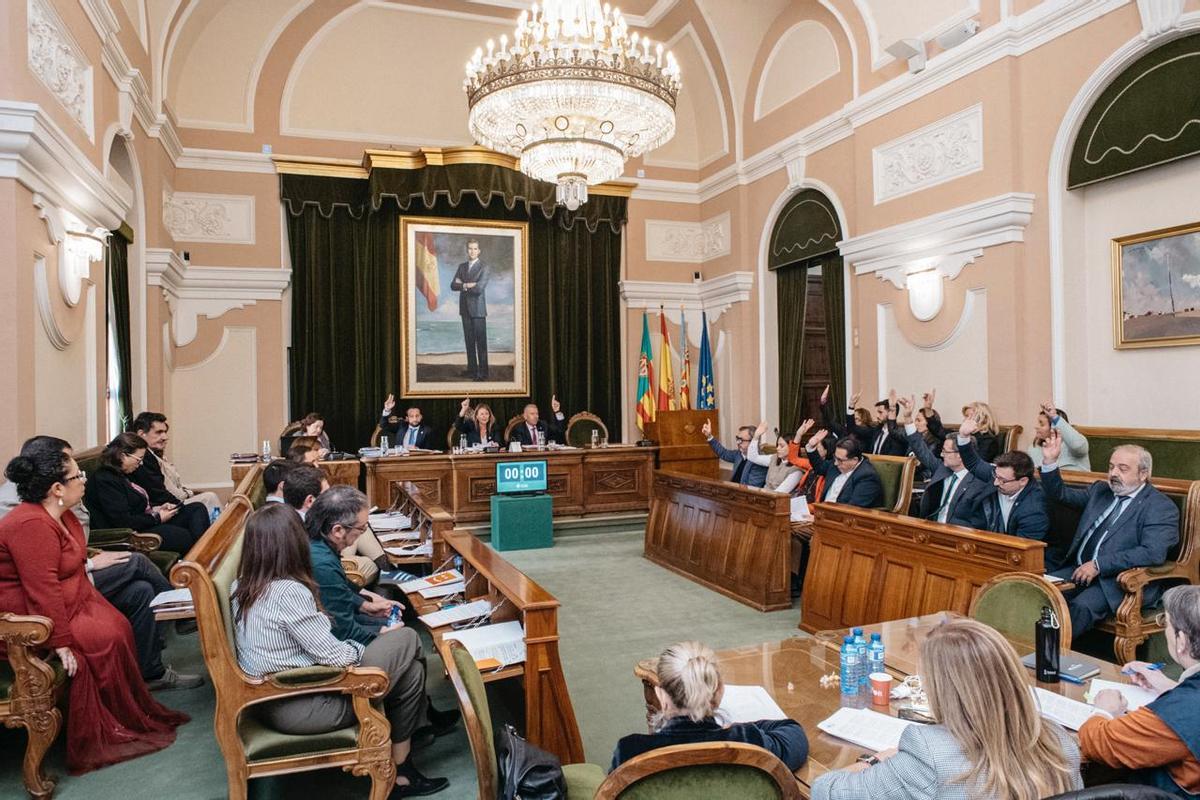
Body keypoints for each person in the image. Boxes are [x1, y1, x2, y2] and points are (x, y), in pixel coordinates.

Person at [231, 504, 448, 797]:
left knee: (411, 674)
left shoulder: (242, 586)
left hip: (273, 698)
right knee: (407, 638)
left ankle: (402, 771)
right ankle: (412, 741)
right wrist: (372, 642)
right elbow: (337, 656)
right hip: (306, 703)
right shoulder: (288, 591)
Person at [0, 439, 189, 773]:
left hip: (72, 596)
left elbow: (72, 564)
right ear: (57, 489)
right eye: (78, 476)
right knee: (103, 638)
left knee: (123, 619)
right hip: (27, 616)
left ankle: (126, 711)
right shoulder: (30, 524)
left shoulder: (62, 515)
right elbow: (42, 588)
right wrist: (61, 642)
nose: (84, 480)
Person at [811, 618, 1081, 800]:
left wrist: (875, 760)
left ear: (943, 691)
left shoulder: (927, 752)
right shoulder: (1059, 741)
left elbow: (826, 791)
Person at [303, 487, 459, 744]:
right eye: (361, 529)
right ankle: (419, 723)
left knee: (410, 660)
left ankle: (420, 720)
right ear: (338, 530)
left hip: (337, 633)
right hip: (337, 654)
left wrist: (365, 605)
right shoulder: (321, 562)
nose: (362, 534)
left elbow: (341, 589)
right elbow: (342, 631)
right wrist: (381, 632)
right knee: (407, 639)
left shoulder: (319, 546)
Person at [1040, 430, 1179, 640]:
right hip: (1078, 569)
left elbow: (1153, 552)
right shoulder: (1101, 491)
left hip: (1119, 581)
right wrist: (1050, 462)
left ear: (1143, 474)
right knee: (1039, 591)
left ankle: (1048, 654)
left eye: (1123, 469)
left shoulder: (1159, 506)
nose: (1114, 473)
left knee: (1081, 607)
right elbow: (1060, 494)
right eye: (1111, 467)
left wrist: (1099, 565)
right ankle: (1026, 649)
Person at [612, 640, 808, 771]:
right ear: (719, 691)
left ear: (661, 695)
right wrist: (742, 728)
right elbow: (794, 735)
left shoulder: (629, 752)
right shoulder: (747, 741)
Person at [1081, 584, 1200, 797]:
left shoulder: (1176, 714)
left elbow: (1098, 743)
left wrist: (1103, 711)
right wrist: (1169, 685)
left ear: (1181, 641)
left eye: (1166, 623)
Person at [85, 433, 209, 554]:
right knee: (185, 536)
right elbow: (123, 521)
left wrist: (158, 509)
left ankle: (203, 557)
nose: (141, 464)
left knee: (197, 508)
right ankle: (200, 560)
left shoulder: (122, 474)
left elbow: (137, 505)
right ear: (123, 456)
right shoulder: (105, 480)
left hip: (146, 521)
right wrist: (157, 517)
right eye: (139, 459)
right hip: (133, 533)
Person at [898, 397, 989, 529]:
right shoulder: (942, 469)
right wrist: (907, 418)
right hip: (931, 528)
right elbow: (920, 448)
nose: (941, 455)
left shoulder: (979, 481)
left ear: (961, 456)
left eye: (946, 452)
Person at [956, 416, 1050, 541]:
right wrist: (963, 436)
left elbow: (1023, 548)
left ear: (1023, 481)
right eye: (996, 476)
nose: (995, 482)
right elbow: (974, 464)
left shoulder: (1034, 509)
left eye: (1002, 481)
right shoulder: (1000, 475)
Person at [128, 411, 220, 514]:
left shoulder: (155, 456)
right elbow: (160, 494)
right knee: (209, 498)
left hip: (174, 499)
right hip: (162, 507)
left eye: (165, 432)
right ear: (141, 434)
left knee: (207, 497)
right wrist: (186, 498)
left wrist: (190, 494)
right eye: (159, 432)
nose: (165, 437)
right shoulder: (144, 458)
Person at [803, 429, 883, 507]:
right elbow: (819, 468)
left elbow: (853, 508)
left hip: (839, 514)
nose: (835, 463)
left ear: (855, 460)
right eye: (835, 457)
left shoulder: (867, 477)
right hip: (821, 510)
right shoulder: (837, 463)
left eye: (840, 460)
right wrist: (811, 447)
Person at [450, 238, 490, 381]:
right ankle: (472, 370)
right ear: (467, 250)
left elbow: (479, 289)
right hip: (465, 309)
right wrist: (468, 285)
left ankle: (483, 373)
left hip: (478, 310)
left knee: (481, 343)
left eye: (475, 249)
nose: (472, 251)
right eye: (470, 248)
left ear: (479, 251)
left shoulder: (484, 267)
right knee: (469, 342)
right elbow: (453, 285)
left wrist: (462, 284)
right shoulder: (462, 267)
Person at [701, 418, 767, 488]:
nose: (738, 443)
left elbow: (751, 488)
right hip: (733, 489)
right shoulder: (739, 454)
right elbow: (723, 453)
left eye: (741, 440)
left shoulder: (760, 460)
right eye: (737, 439)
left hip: (742, 493)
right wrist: (709, 436)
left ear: (753, 441)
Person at [1027, 400, 1090, 472]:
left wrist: (1054, 417)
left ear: (1054, 427)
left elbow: (1078, 445)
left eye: (1041, 424)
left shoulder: (1074, 445)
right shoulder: (1034, 449)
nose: (1036, 427)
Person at [843, 389, 906, 456]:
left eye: (880, 412)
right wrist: (851, 405)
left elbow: (893, 459)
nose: (877, 416)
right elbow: (852, 429)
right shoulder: (875, 430)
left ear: (890, 413)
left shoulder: (898, 435)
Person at [744, 422, 801, 493]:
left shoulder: (796, 470)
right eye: (777, 445)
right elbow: (752, 457)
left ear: (792, 448)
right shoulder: (774, 458)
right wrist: (756, 436)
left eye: (782, 446)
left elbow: (779, 493)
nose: (777, 448)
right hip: (764, 495)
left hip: (776, 498)